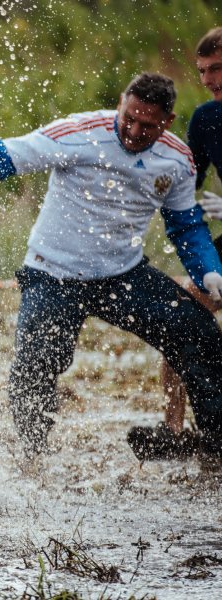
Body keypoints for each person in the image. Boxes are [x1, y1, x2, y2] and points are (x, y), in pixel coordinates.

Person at [0, 72, 222, 460]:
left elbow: (185, 225)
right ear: (120, 103)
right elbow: (1, 155)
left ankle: (215, 446)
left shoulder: (177, 159)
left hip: (123, 274)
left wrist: (208, 270)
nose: (134, 131)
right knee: (35, 366)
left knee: (200, 334)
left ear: (166, 122)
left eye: (147, 125)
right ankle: (31, 458)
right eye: (128, 118)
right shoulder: (79, 132)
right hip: (53, 273)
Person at [127, 28, 222, 460]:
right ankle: (174, 430)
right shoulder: (206, 120)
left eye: (217, 68)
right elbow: (184, 186)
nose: (208, 80)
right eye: (202, 71)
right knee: (184, 317)